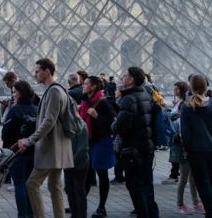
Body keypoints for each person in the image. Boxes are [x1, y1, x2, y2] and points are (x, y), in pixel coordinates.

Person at [18, 58, 73, 218]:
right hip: (58, 146)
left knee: (32, 184)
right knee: (54, 185)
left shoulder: (54, 91)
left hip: (51, 147)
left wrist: (30, 140)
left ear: (47, 71)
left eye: (37, 71)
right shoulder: (58, 89)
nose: (34, 75)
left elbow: (49, 120)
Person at [113, 67, 159, 218]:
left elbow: (120, 127)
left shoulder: (128, 99)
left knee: (134, 186)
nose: (121, 77)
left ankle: (143, 214)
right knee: (147, 184)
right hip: (147, 147)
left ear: (131, 79)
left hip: (133, 149)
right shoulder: (146, 94)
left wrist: (113, 124)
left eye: (124, 75)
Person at [181, 74, 212, 218]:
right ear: (206, 87)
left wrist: (186, 149)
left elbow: (185, 133)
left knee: (202, 183)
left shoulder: (187, 106)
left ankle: (211, 212)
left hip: (195, 151)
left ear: (191, 87)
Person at [79, 75, 116, 218]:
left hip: (100, 142)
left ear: (93, 87)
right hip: (88, 142)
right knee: (86, 175)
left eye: (86, 83)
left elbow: (112, 122)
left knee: (102, 174)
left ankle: (102, 207)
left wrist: (97, 116)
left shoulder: (102, 102)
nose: (83, 85)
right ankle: (80, 204)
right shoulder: (85, 101)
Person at [1, 80, 37, 218]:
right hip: (33, 152)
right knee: (30, 185)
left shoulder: (15, 110)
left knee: (20, 185)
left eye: (14, 92)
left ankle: (22, 214)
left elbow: (6, 133)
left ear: (20, 93)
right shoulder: (36, 109)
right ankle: (31, 212)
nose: (13, 95)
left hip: (17, 152)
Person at [168, 81, 202, 214]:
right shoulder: (183, 104)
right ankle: (181, 204)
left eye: (176, 88)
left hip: (188, 144)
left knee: (191, 177)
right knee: (184, 176)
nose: (174, 91)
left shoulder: (184, 103)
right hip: (184, 144)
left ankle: (195, 203)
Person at [64, 120, 89, 218]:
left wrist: (70, 162)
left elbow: (82, 149)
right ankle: (74, 214)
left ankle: (81, 215)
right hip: (69, 163)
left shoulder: (82, 126)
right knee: (70, 190)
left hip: (80, 164)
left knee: (79, 190)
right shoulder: (68, 124)